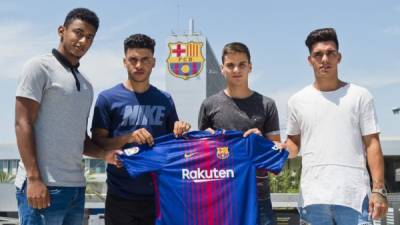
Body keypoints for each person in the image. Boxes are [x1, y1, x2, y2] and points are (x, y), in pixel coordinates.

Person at [15, 8, 120, 225]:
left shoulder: (87, 85)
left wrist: (104, 154)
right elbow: (22, 123)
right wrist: (34, 178)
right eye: (78, 33)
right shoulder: (38, 67)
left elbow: (79, 139)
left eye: (89, 37)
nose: (83, 41)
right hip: (43, 186)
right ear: (62, 30)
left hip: (76, 188)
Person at [285, 28, 388, 224]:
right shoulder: (296, 101)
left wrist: (378, 189)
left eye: (330, 53)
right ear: (310, 60)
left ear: (339, 57)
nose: (325, 59)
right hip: (313, 199)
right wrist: (275, 149)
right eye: (318, 54)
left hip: (353, 198)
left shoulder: (360, 96)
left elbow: (372, 144)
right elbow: (293, 144)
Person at [91, 33, 191, 225]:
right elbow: (98, 143)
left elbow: (175, 143)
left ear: (153, 62)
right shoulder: (107, 98)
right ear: (124, 62)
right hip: (120, 195)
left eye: (145, 59)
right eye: (133, 60)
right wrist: (128, 137)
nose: (139, 65)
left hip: (159, 194)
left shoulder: (165, 99)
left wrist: (181, 130)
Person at [198, 42, 280, 225]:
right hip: (220, 196)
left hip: (258, 197)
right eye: (230, 65)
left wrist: (260, 143)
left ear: (250, 67)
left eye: (242, 64)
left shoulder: (267, 105)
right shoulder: (209, 105)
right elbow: (201, 158)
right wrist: (206, 141)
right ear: (222, 69)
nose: (236, 69)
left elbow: (276, 158)